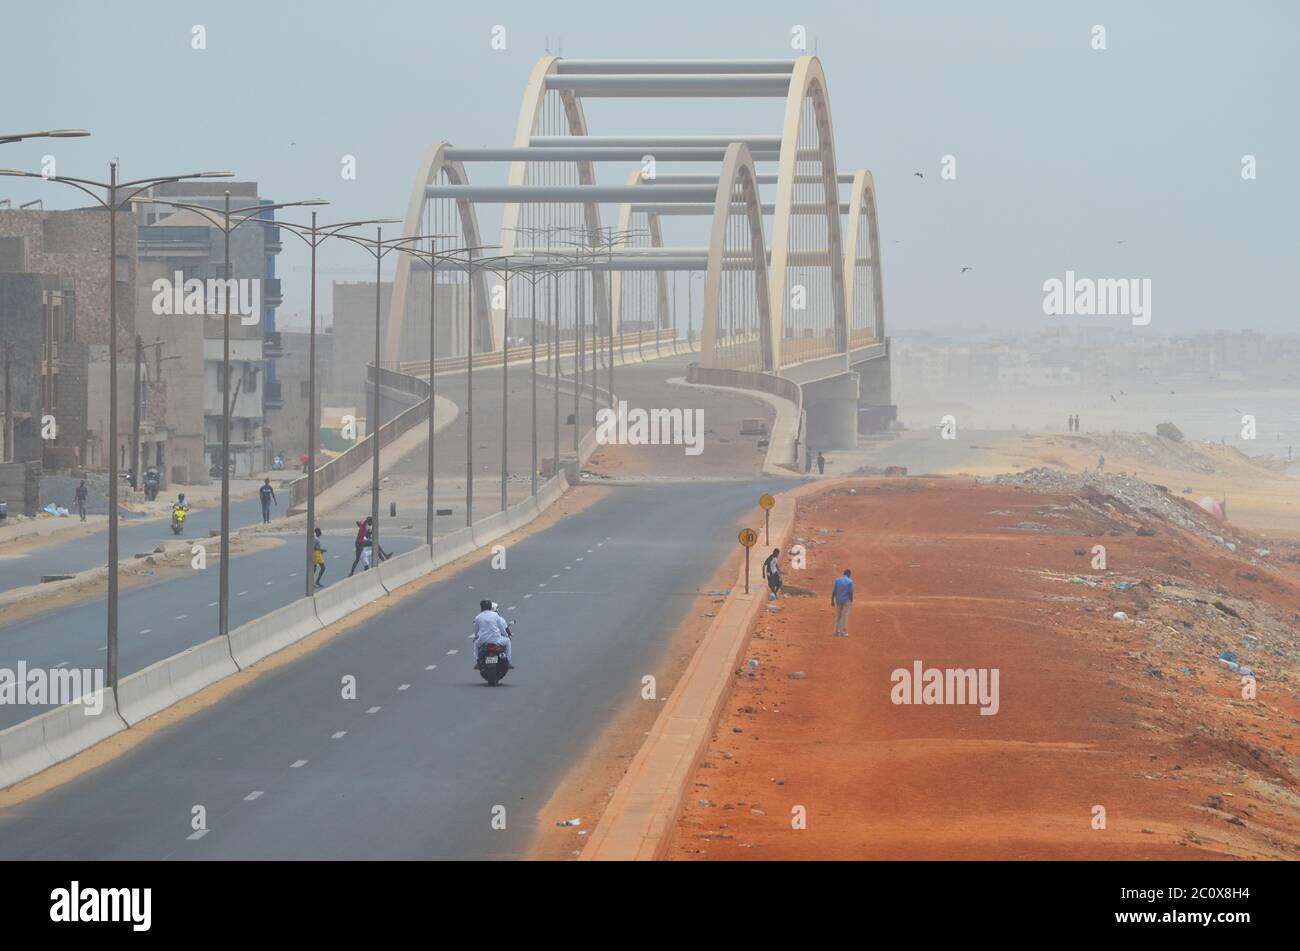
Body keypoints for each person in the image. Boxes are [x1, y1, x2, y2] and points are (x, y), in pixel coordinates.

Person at [471, 599, 512, 669]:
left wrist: (476, 637)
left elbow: (476, 630)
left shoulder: (478, 617)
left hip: (483, 640)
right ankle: (508, 662)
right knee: (508, 641)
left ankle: (478, 662)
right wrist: (506, 635)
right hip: (496, 640)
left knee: (475, 644)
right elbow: (501, 628)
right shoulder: (495, 615)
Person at [831, 568, 854, 637]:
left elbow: (834, 591)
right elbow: (851, 593)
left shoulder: (837, 580)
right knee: (844, 616)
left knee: (838, 616)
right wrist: (851, 601)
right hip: (846, 601)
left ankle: (836, 631)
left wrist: (832, 601)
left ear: (843, 573)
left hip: (838, 600)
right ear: (849, 574)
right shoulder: (850, 582)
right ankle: (842, 632)